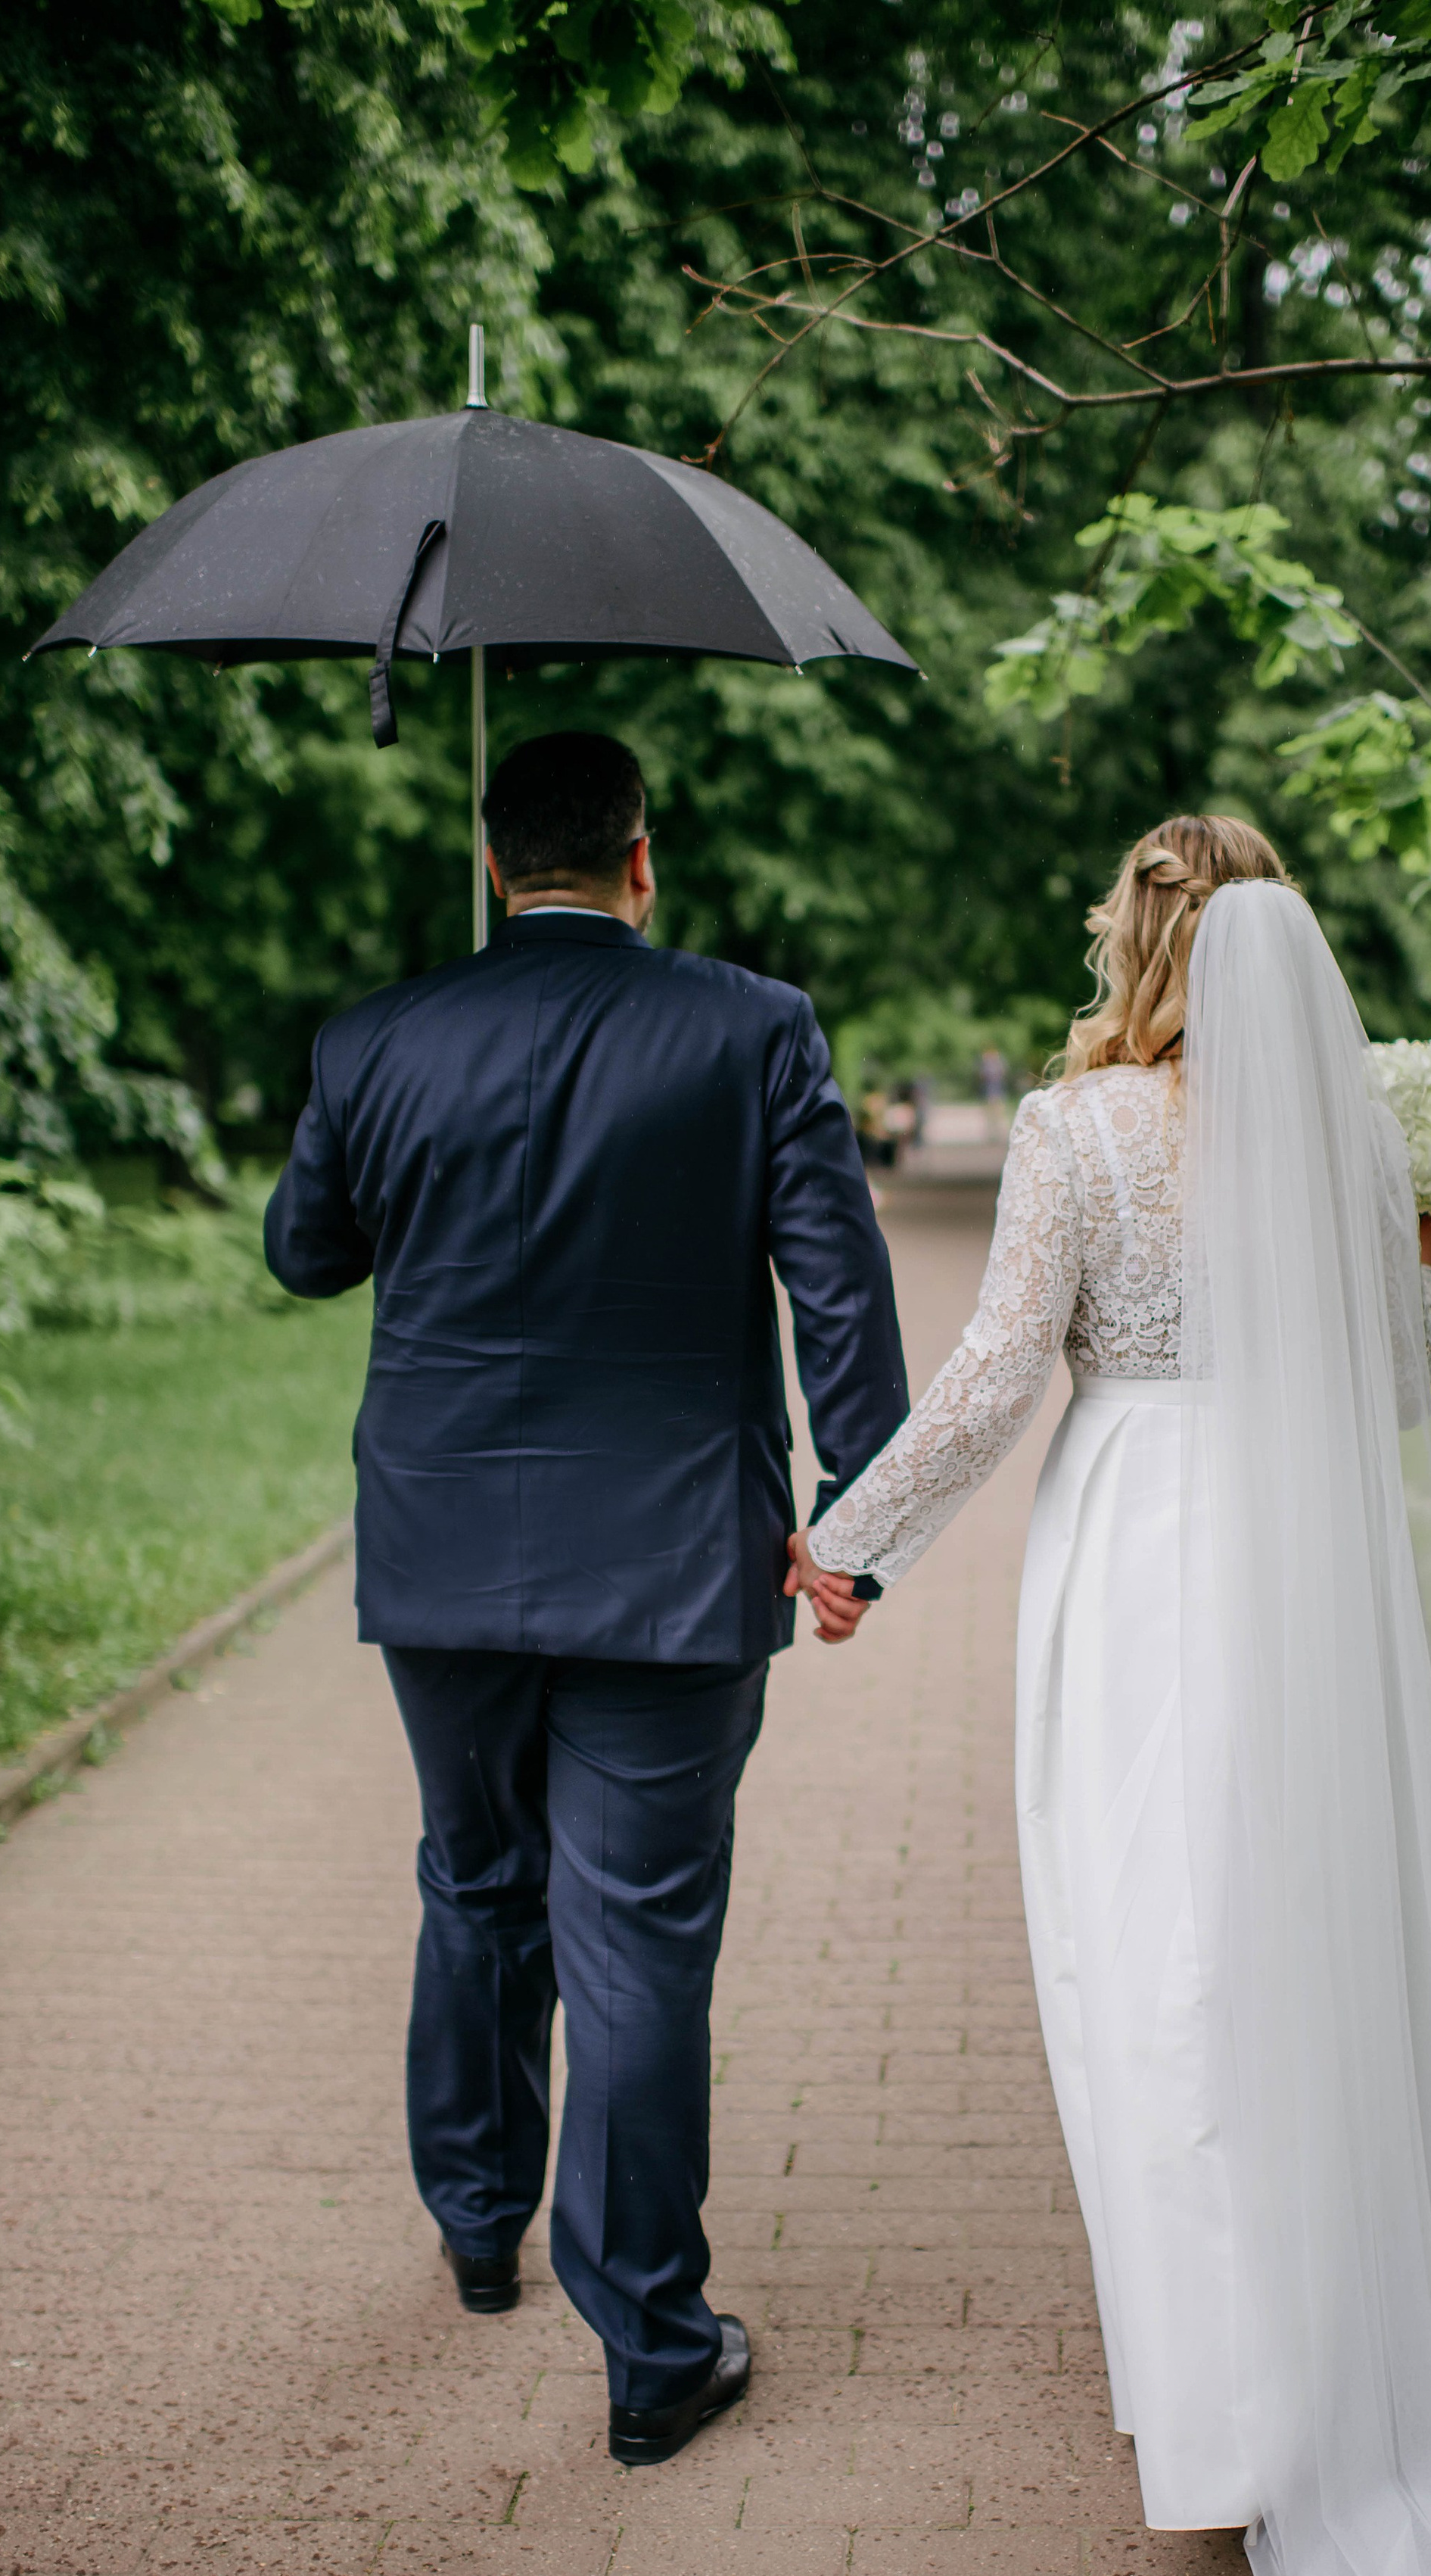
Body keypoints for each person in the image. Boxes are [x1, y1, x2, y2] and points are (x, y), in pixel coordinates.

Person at [794, 818, 1431, 2576]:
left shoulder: (1076, 1132)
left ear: (1130, 943)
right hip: (1303, 1567)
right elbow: (1410, 1384)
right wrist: (1426, 1261)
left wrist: (851, 1542)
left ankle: (1227, 2423)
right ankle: (1332, 2376)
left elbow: (1003, 1367)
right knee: (1303, 1953)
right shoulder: (1342, 1142)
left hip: (1144, 1550)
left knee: (1148, 1955)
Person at [264, 731, 907, 2468]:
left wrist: (406, 1113)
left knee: (473, 1878)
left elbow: (302, 1252)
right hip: (675, 1558)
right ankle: (649, 2347)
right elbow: (836, 1293)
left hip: (442, 1551)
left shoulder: (373, 1035)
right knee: (634, 1934)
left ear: (492, 867)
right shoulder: (752, 1028)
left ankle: (480, 2225)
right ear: (643, 859)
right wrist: (864, 1513)